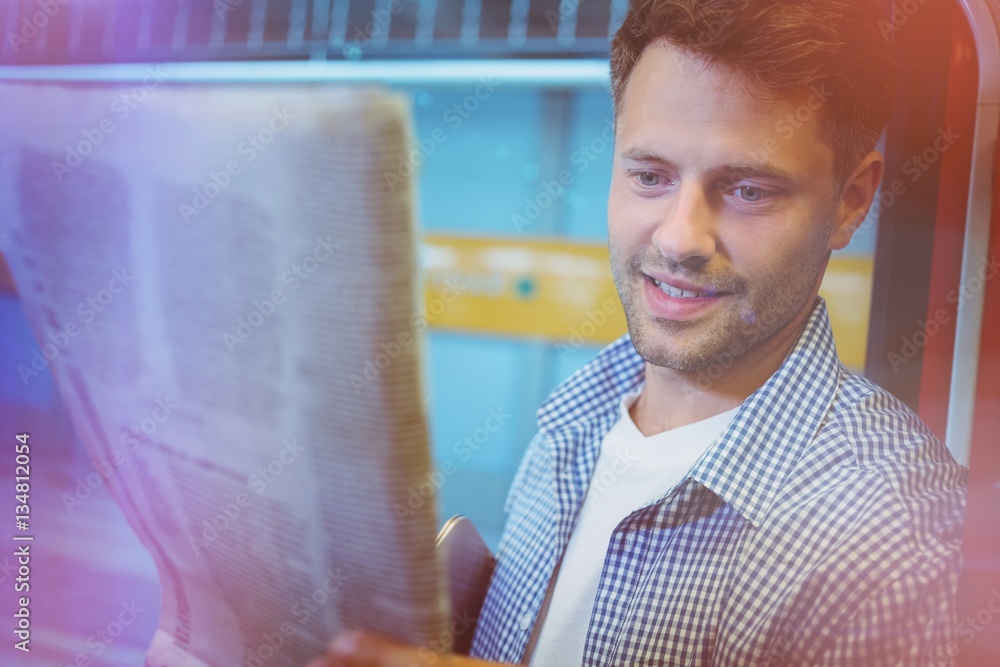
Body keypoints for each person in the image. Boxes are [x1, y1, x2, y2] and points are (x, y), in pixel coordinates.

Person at [309, 0, 967, 665]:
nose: (680, 238)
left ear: (850, 202)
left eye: (748, 190)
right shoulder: (573, 425)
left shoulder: (899, 543)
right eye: (650, 176)